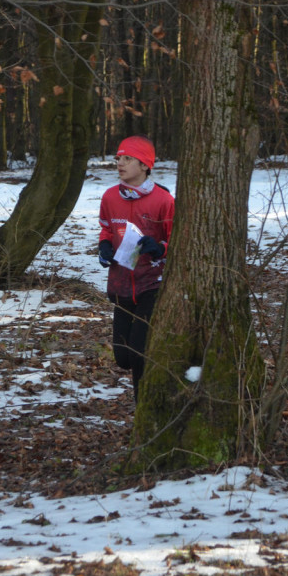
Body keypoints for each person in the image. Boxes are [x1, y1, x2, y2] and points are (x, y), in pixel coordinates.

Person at [97, 136, 174, 401]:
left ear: (144, 165)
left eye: (127, 159)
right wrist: (105, 246)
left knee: (139, 351)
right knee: (123, 357)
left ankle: (144, 408)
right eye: (118, 158)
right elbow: (106, 228)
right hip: (120, 283)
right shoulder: (110, 197)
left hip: (151, 284)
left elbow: (175, 239)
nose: (120, 163)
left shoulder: (163, 200)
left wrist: (159, 247)